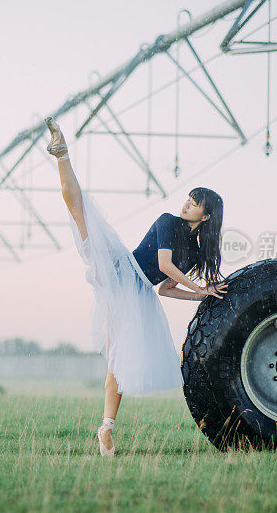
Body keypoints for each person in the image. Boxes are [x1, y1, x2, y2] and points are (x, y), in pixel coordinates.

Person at [43, 116, 228, 457]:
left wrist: (198, 295)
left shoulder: (197, 251)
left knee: (119, 360)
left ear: (206, 216)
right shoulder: (168, 221)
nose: (186, 202)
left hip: (139, 292)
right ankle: (62, 154)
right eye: (188, 197)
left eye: (195, 201)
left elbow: (166, 287)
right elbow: (163, 265)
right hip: (119, 269)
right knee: (82, 213)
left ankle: (106, 429)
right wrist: (200, 289)